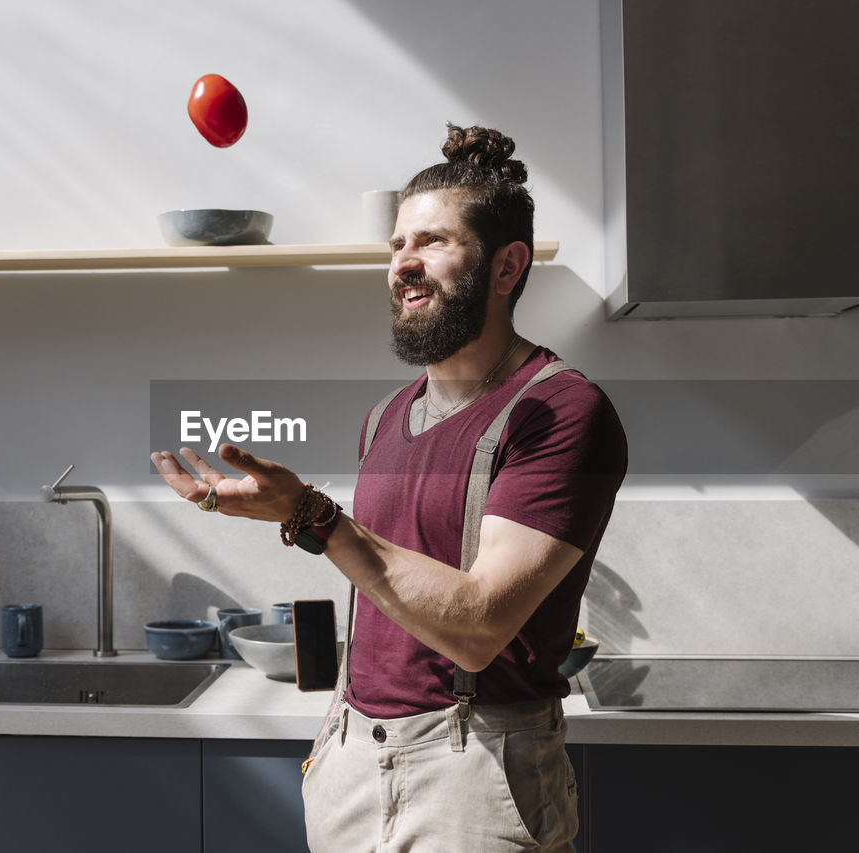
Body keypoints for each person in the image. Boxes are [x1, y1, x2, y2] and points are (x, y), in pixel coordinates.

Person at [151, 124, 627, 853]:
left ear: (507, 268)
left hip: (472, 775)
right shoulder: (385, 418)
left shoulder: (561, 410)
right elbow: (384, 592)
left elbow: (477, 625)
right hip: (350, 762)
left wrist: (315, 515)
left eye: (432, 243)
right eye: (397, 245)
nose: (403, 264)